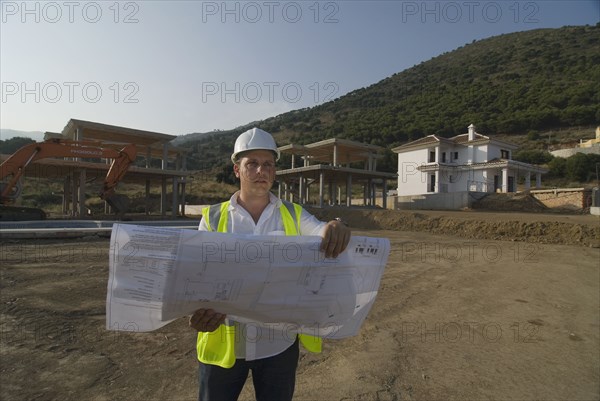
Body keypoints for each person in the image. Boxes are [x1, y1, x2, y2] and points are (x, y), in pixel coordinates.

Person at [189, 127, 351, 401]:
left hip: (278, 347)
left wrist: (337, 224)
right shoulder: (213, 218)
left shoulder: (294, 214)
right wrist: (193, 313)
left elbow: (322, 232)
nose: (261, 171)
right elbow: (195, 275)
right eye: (252, 164)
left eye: (268, 165)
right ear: (237, 170)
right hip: (226, 347)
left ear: (274, 172)